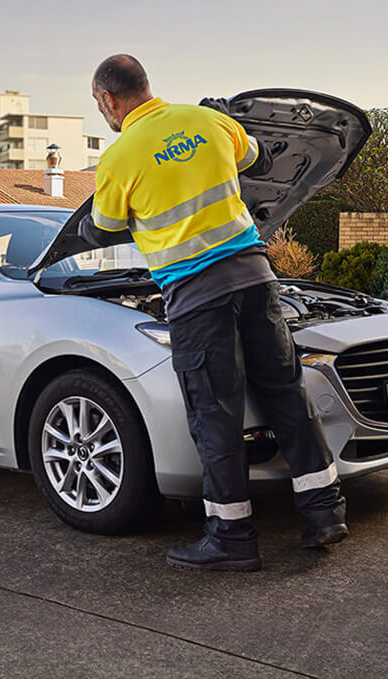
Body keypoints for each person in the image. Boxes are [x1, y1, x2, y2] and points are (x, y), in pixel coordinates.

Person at [78, 53, 347, 572]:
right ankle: (324, 512)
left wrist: (89, 227)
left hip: (197, 297)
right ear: (146, 84)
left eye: (98, 104)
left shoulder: (119, 157)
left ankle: (231, 536)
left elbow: (106, 224)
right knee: (286, 393)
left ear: (107, 99)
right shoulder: (208, 121)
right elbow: (255, 160)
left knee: (215, 415)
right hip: (255, 279)